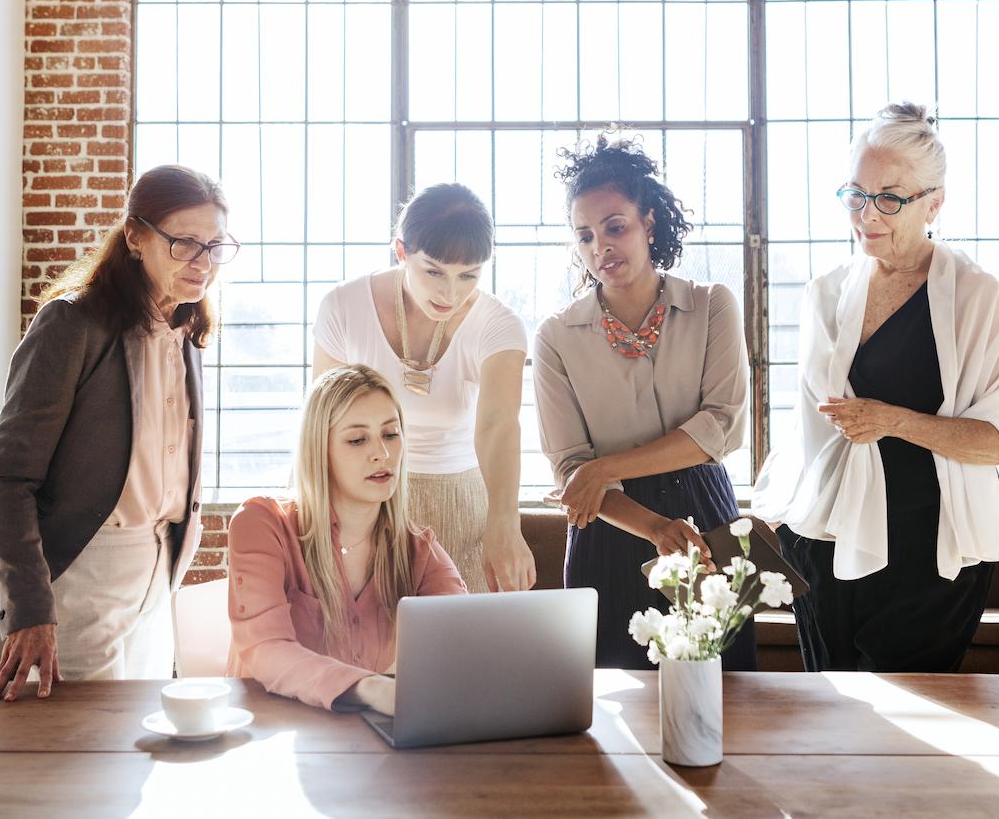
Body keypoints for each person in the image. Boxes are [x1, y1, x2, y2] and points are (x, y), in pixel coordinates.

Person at [752, 102, 999, 672]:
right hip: (826, 543)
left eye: (890, 197)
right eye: (856, 195)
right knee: (834, 723)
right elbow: (805, 428)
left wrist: (895, 421)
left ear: (935, 203)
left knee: (914, 724)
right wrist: (774, 512)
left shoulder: (977, 298)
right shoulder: (825, 295)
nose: (867, 215)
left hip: (934, 549)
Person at [0, 164, 238, 700]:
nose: (202, 262)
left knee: (134, 747)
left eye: (214, 246)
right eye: (185, 243)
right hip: (85, 568)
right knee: (76, 753)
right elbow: (8, 478)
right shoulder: (71, 324)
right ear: (135, 237)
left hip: (159, 565)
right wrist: (29, 604)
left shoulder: (187, 330)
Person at [533, 134, 757, 670]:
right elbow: (571, 470)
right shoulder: (556, 336)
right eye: (584, 235)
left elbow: (722, 428)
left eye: (615, 227)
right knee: (613, 711)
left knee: (726, 693)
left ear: (649, 222)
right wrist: (650, 525)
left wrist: (604, 467)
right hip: (608, 525)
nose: (600, 247)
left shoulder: (712, 306)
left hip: (705, 517)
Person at [311, 183, 535, 594]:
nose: (450, 293)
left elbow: (500, 425)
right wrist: (320, 514)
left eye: (468, 275)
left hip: (460, 502)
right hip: (364, 498)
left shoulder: (499, 324)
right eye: (433, 271)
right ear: (401, 252)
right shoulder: (342, 306)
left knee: (459, 644)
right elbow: (322, 423)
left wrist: (504, 523)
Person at [226, 365, 466, 714]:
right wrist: (370, 687)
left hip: (364, 744)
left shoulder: (420, 551)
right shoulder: (261, 525)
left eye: (390, 435)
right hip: (264, 735)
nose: (382, 455)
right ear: (319, 451)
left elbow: (462, 640)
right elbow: (267, 649)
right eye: (357, 439)